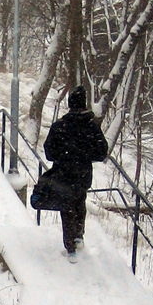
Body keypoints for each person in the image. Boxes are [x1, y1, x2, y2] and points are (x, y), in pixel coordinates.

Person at [43, 85, 108, 260]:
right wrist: (86, 155)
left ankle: (70, 247)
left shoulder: (60, 126)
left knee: (67, 207)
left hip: (63, 174)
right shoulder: (91, 127)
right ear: (84, 104)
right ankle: (79, 235)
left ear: (70, 104)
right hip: (83, 174)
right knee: (80, 201)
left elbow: (48, 152)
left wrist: (63, 156)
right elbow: (102, 152)